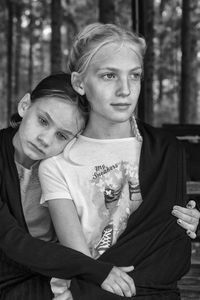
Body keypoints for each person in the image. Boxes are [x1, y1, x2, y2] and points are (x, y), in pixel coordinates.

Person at [39, 23, 200, 300]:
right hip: (87, 293)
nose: (125, 90)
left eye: (134, 76)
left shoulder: (166, 150)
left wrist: (191, 221)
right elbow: (80, 262)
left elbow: (171, 248)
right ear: (80, 83)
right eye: (109, 75)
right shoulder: (57, 165)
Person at [0, 73, 139, 300]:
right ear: (25, 106)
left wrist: (184, 214)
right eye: (43, 121)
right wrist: (92, 271)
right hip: (10, 280)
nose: (45, 139)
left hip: (61, 274)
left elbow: (121, 205)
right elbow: (12, 240)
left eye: (62, 135)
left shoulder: (67, 166)